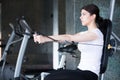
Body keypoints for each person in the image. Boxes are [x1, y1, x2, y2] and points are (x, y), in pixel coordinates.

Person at [33, 4, 108, 80]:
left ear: (93, 16)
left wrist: (45, 38)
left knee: (49, 78)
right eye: (80, 14)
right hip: (80, 71)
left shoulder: (95, 34)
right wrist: (45, 39)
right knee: (45, 75)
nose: (80, 17)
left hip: (89, 75)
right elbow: (65, 39)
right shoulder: (84, 33)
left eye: (84, 14)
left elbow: (69, 37)